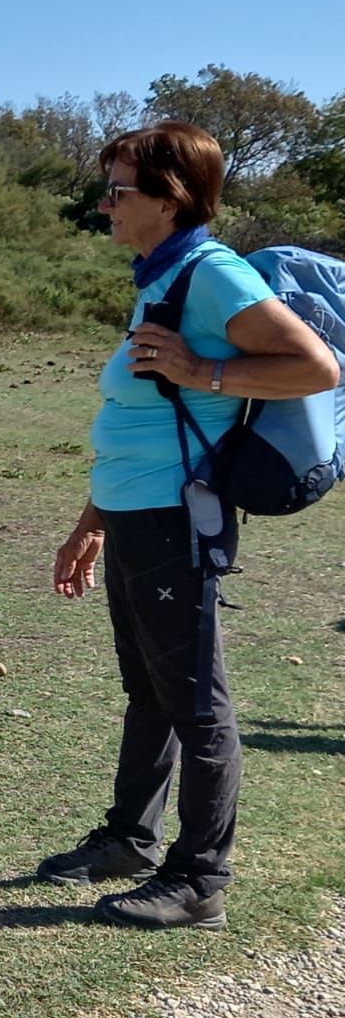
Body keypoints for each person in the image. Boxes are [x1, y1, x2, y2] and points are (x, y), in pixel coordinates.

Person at [39, 121, 340, 930]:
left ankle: (200, 879)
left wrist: (200, 369)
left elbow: (316, 364)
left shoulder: (210, 274)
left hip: (176, 519)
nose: (105, 206)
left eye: (118, 191)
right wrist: (89, 525)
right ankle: (130, 840)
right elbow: (139, 423)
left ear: (170, 199)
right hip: (135, 514)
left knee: (197, 703)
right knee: (150, 690)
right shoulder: (159, 275)